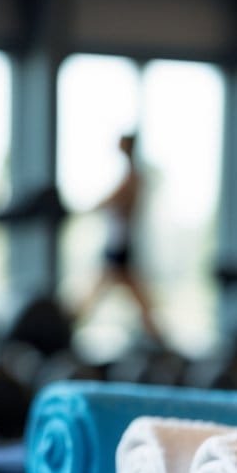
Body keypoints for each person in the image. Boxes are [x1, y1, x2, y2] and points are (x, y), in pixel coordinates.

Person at [77, 133, 162, 342]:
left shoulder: (131, 177)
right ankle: (157, 336)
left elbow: (111, 200)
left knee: (104, 291)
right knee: (118, 292)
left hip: (119, 243)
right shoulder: (131, 176)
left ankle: (158, 338)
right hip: (119, 243)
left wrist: (86, 209)